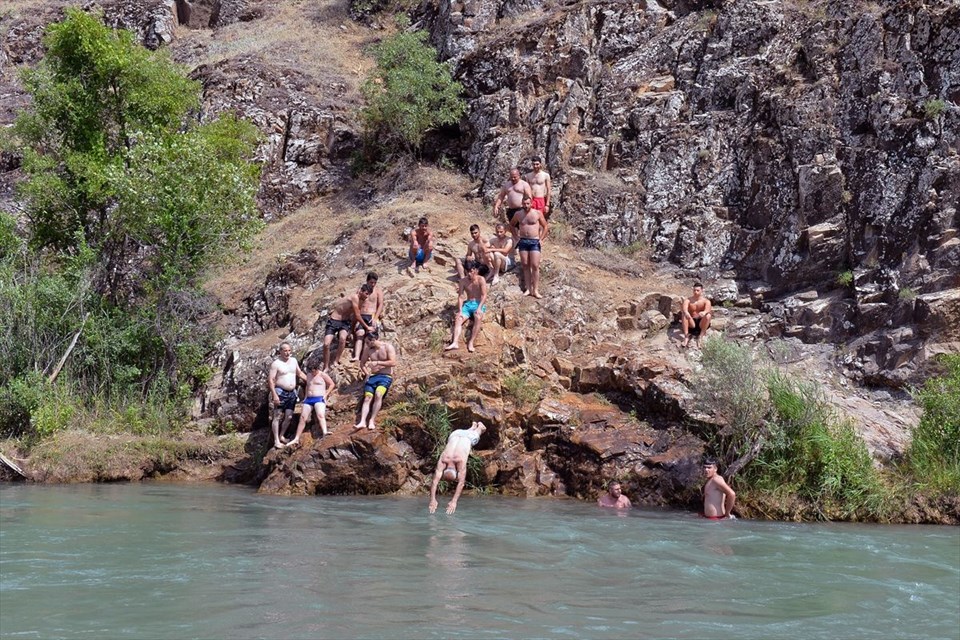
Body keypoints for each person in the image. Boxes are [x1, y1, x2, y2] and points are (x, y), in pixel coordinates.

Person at [429, 421, 487, 515]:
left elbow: (461, 484)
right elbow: (434, 482)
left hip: (468, 437)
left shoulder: (459, 462)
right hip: (455, 434)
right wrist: (432, 499)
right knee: (464, 437)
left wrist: (454, 501)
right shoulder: (444, 460)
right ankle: (472, 427)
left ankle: (479, 427)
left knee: (479, 432)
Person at [285, 357, 336, 447]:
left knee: (320, 414)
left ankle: (324, 431)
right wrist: (305, 397)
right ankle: (296, 438)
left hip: (319, 398)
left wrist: (326, 394)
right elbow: (308, 385)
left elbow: (332, 384)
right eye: (311, 371)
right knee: (303, 417)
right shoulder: (308, 375)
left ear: (317, 368)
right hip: (309, 399)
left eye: (314, 371)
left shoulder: (322, 375)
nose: (313, 372)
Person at [354, 331, 397, 431]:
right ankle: (362, 421)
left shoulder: (387, 347)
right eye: (366, 342)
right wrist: (367, 374)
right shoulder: (368, 350)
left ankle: (372, 420)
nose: (367, 344)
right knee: (367, 397)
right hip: (373, 376)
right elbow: (362, 363)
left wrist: (377, 362)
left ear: (374, 339)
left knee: (378, 394)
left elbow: (393, 362)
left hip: (385, 376)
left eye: (368, 342)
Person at [323, 285, 372, 371]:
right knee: (326, 344)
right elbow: (357, 315)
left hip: (345, 322)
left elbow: (354, 316)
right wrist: (367, 327)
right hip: (334, 320)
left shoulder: (361, 301)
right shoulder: (354, 297)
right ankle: (326, 366)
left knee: (342, 339)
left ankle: (336, 361)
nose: (367, 296)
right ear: (361, 291)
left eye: (369, 294)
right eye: (366, 293)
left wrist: (352, 330)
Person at [267, 342, 306, 449]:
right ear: (280, 351)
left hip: (292, 392)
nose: (287, 353)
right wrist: (274, 395)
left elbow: (299, 373)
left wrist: (310, 380)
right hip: (280, 392)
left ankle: (281, 436)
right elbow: (271, 380)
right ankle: (276, 440)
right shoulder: (276, 364)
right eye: (285, 350)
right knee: (277, 416)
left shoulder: (293, 361)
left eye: (289, 350)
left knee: (289, 416)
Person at [445, 260, 488, 353]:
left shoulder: (481, 279)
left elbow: (484, 295)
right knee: (458, 318)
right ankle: (455, 342)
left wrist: (479, 308)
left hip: (478, 303)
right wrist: (460, 310)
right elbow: (461, 296)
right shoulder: (463, 281)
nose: (469, 274)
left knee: (478, 316)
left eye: (471, 271)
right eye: (467, 271)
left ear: (475, 270)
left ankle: (471, 342)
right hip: (468, 304)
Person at [510, 195, 548, 299]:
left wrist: (541, 239)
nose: (526, 206)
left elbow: (545, 226)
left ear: (531, 203)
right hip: (523, 241)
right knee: (525, 265)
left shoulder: (537, 213)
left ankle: (535, 290)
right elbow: (512, 225)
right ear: (522, 204)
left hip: (534, 241)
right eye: (524, 204)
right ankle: (528, 289)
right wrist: (516, 236)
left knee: (535, 265)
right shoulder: (518, 214)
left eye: (528, 204)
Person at [352, 273, 384, 362]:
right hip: (362, 314)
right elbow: (356, 302)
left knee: (371, 336)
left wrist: (375, 318)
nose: (373, 284)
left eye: (374, 283)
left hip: (372, 315)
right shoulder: (361, 290)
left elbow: (380, 304)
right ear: (367, 281)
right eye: (371, 282)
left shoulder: (378, 291)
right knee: (360, 333)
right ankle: (357, 356)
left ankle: (370, 355)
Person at [681, 283, 713, 348]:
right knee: (684, 314)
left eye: (698, 290)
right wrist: (686, 312)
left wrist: (704, 312)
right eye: (694, 290)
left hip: (701, 322)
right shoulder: (688, 300)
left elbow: (708, 309)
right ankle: (686, 337)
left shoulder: (706, 301)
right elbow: (684, 308)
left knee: (708, 315)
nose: (696, 292)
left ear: (702, 290)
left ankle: (700, 336)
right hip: (692, 322)